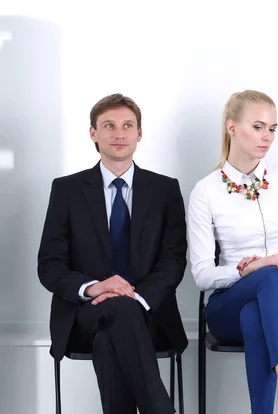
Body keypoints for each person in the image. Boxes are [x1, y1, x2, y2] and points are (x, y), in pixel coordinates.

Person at [37, 94, 188, 414]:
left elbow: (173, 260)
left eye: (127, 126)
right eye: (109, 125)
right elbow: (50, 265)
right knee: (116, 315)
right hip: (84, 315)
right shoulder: (66, 190)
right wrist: (94, 287)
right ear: (93, 133)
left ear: (139, 133)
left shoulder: (165, 190)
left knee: (111, 338)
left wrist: (136, 298)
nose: (119, 133)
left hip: (150, 312)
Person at [187, 90, 278, 414]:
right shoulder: (206, 191)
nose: (267, 137)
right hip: (228, 304)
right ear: (231, 127)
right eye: (258, 127)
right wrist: (249, 270)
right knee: (264, 280)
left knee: (257, 312)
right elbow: (202, 274)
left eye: (272, 128)